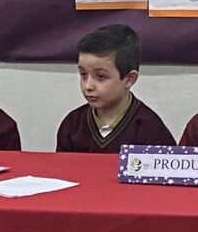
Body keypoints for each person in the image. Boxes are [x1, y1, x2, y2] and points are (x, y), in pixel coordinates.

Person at [56, 24, 175, 153]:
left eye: (100, 76)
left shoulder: (150, 129)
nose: (88, 86)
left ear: (129, 79)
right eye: (83, 74)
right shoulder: (72, 124)